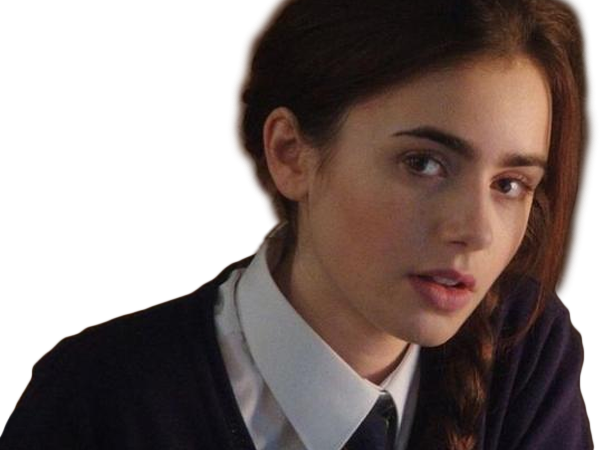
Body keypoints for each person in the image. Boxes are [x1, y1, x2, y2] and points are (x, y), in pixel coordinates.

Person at [1, 0, 593, 449]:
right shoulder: (97, 398)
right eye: (423, 164)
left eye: (510, 185)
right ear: (290, 153)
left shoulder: (521, 349)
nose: (479, 231)